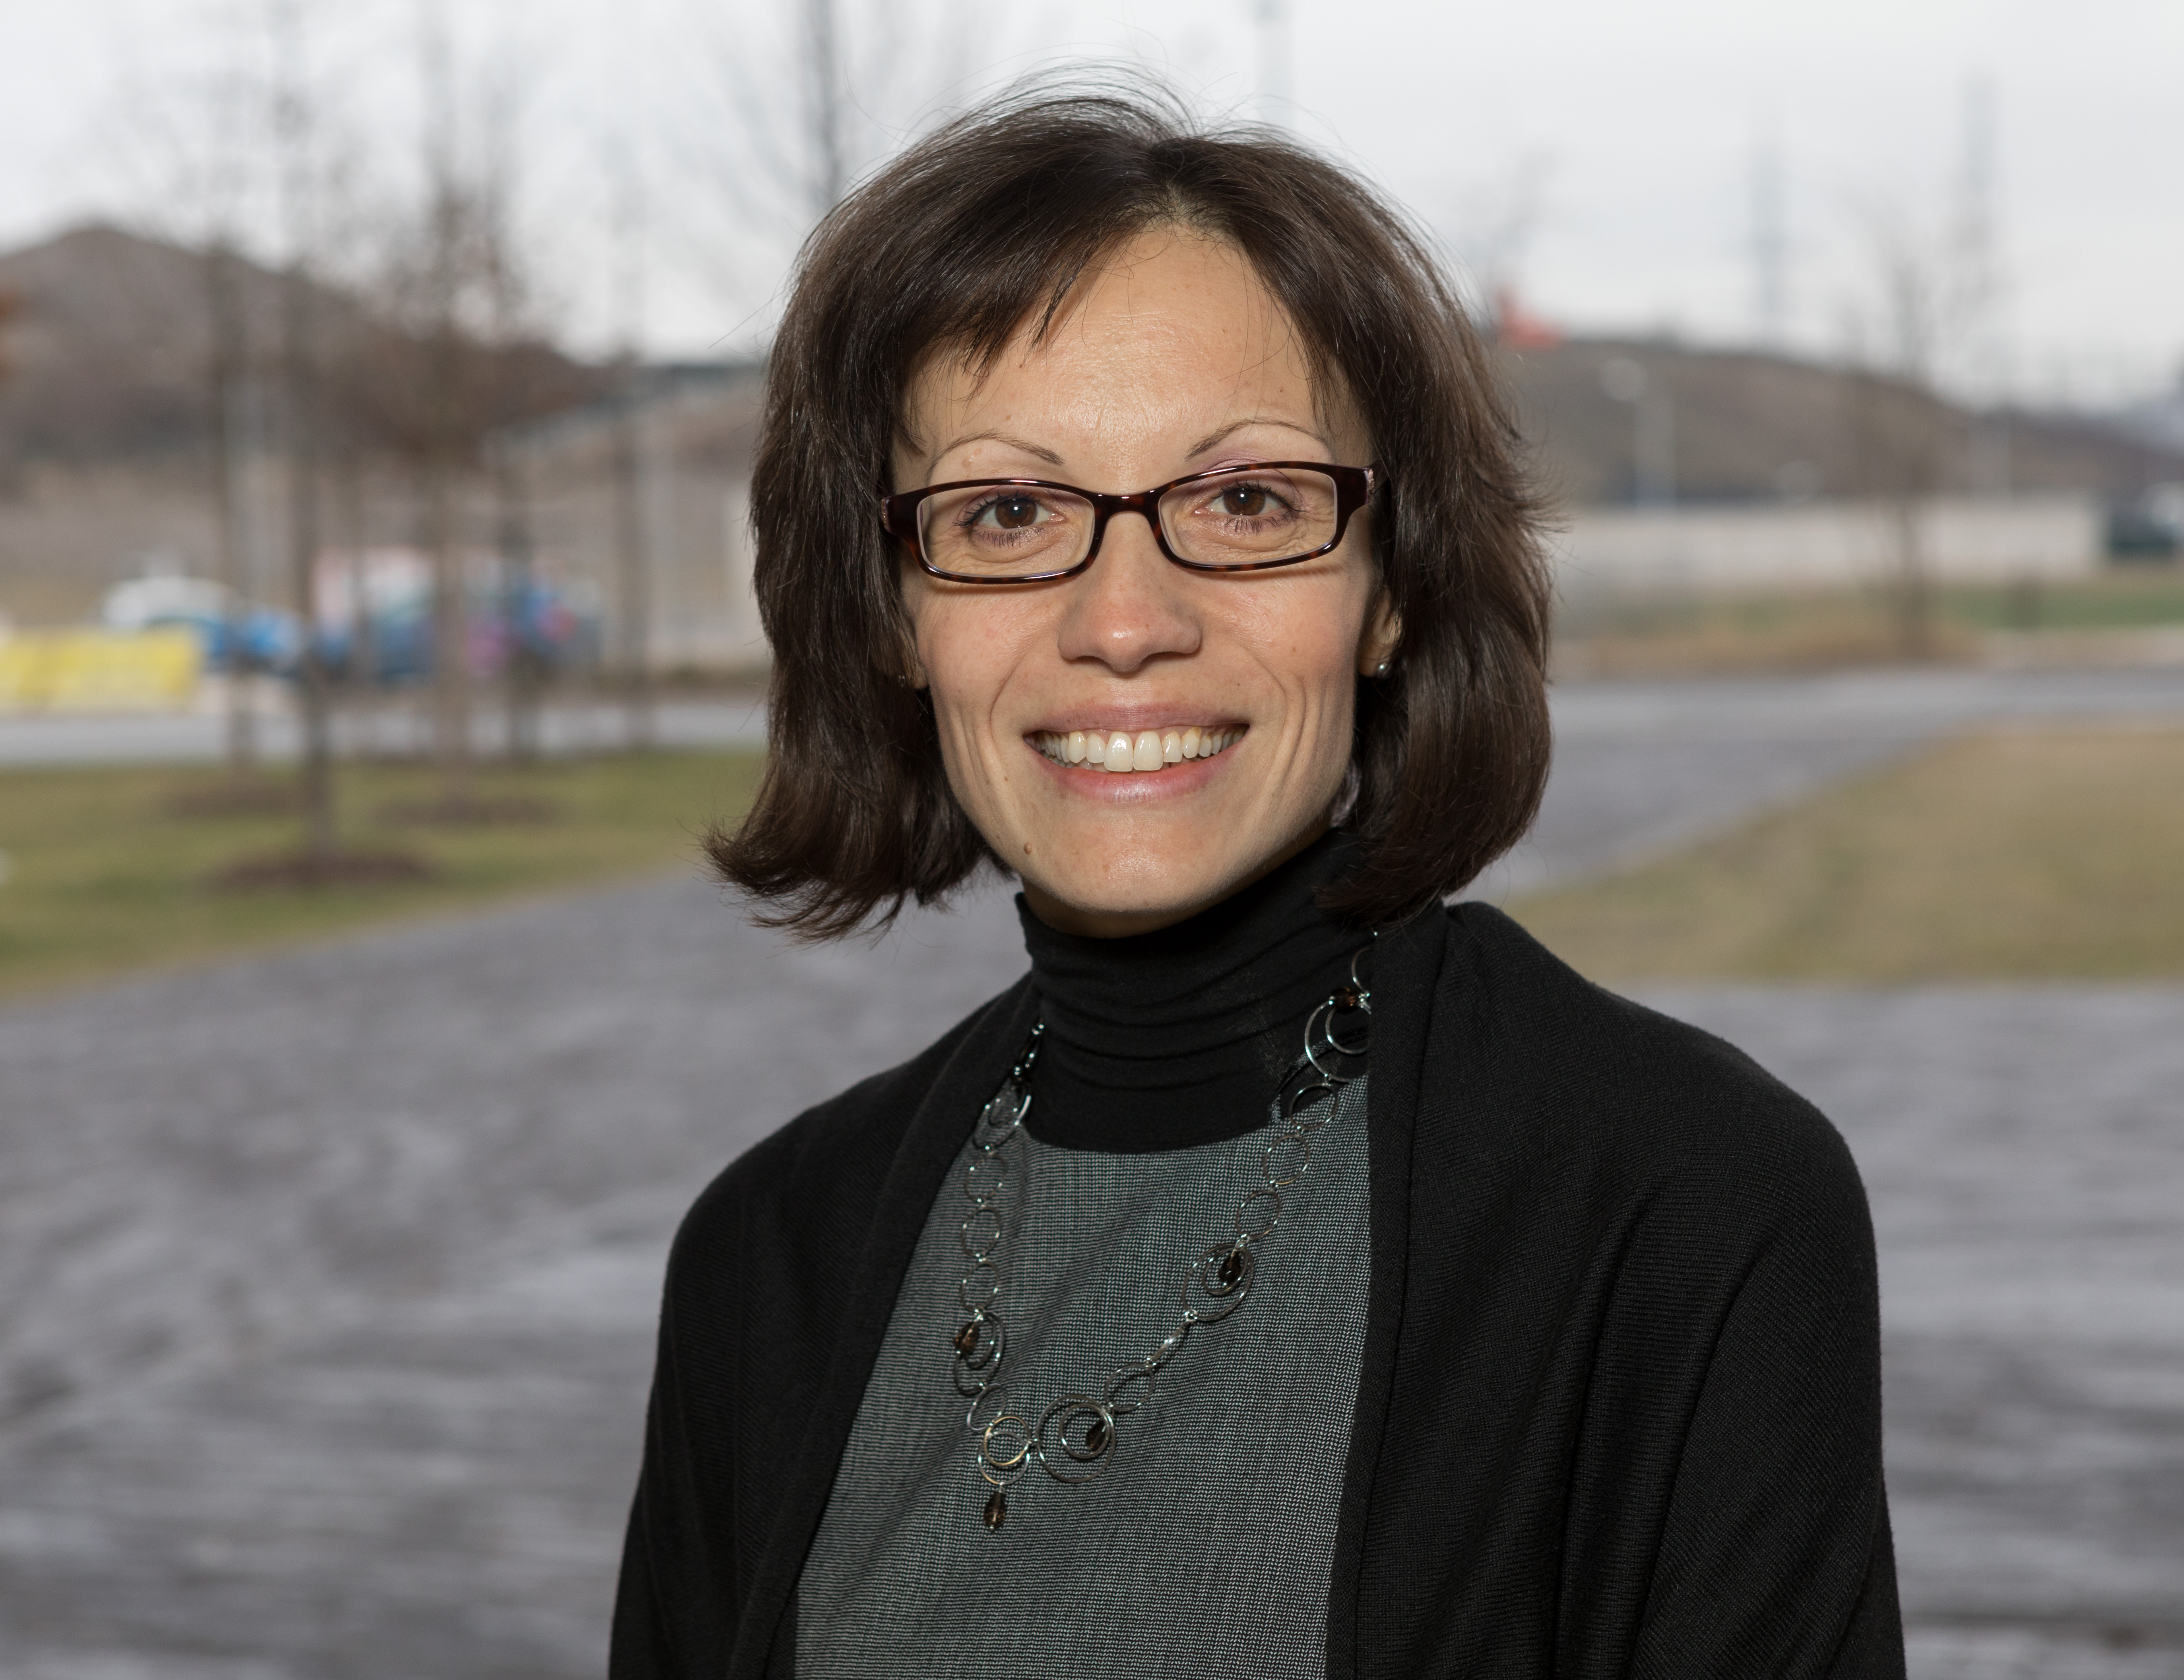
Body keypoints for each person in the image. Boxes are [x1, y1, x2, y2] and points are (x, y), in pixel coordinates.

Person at [613, 89, 1901, 1680]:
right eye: (1006, 512)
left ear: (1389, 588)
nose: (1124, 621)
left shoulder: (1685, 1203)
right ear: (892, 613)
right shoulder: (762, 1258)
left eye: (1244, 502)